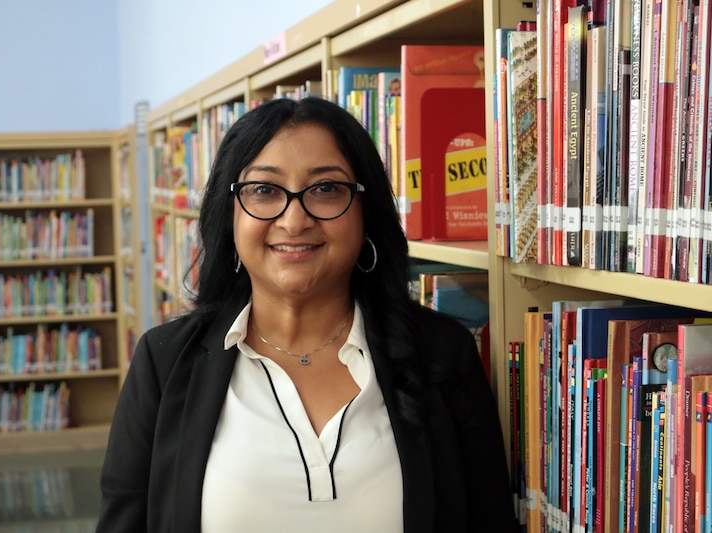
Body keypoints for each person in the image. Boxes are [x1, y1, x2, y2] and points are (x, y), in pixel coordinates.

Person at [97, 97, 516, 532]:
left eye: (326, 189)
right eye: (263, 191)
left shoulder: (443, 356)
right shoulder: (163, 362)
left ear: (366, 214)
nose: (294, 221)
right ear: (230, 216)